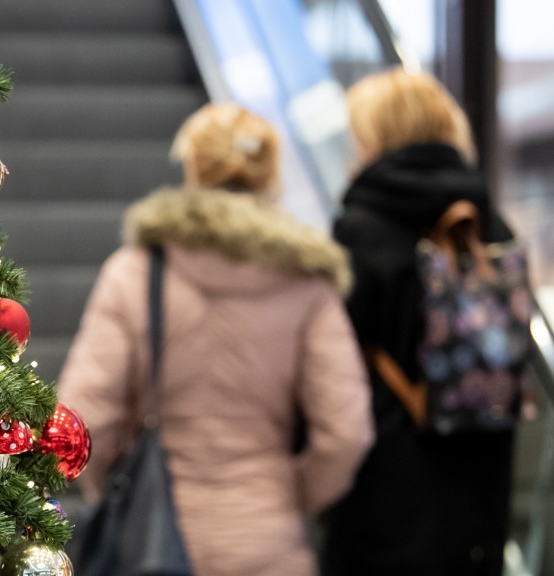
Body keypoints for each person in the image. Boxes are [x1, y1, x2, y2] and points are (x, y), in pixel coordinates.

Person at [57, 103, 374, 576]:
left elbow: (83, 416)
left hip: (151, 546)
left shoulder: (135, 272)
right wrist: (287, 495)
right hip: (268, 544)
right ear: (270, 176)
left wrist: (118, 489)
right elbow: (347, 433)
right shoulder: (308, 285)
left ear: (192, 168)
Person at [322, 69, 516, 576]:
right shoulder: (489, 226)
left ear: (377, 134)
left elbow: (331, 365)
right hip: (482, 484)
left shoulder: (360, 230)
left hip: (384, 491)